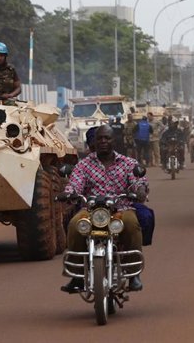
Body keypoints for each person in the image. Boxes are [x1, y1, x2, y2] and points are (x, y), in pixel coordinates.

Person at [61, 125, 148, 293]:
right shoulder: (84, 165)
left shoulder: (128, 163)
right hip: (92, 210)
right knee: (74, 224)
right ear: (94, 141)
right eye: (99, 138)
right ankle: (77, 275)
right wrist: (70, 193)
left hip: (120, 209)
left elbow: (138, 182)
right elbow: (75, 184)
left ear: (113, 141)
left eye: (107, 138)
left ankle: (133, 275)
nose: (103, 142)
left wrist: (140, 190)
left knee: (131, 224)